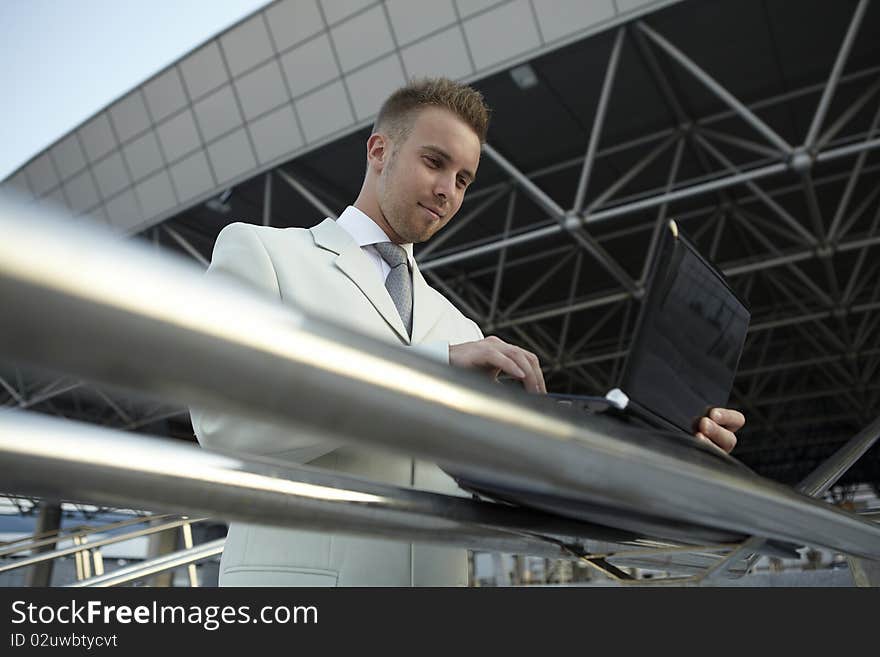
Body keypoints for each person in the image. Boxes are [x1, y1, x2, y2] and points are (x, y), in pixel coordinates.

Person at [190, 77, 744, 587]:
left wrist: (668, 452)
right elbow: (224, 422)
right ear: (378, 151)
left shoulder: (458, 326)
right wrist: (433, 368)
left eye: (463, 180)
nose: (448, 192)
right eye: (434, 162)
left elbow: (511, 492)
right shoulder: (265, 252)